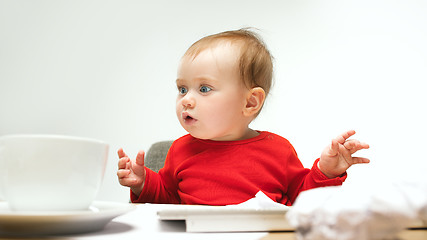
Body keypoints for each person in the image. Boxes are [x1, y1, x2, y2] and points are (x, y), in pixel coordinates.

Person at [117, 29, 370, 206]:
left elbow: (303, 200)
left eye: (204, 89)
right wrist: (142, 183)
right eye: (182, 89)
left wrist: (325, 172)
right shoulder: (180, 150)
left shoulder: (278, 151)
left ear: (250, 102)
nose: (186, 99)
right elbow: (168, 200)